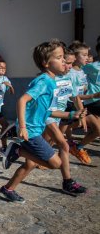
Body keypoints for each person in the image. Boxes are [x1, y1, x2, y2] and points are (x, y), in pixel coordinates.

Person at [0, 39, 85, 203]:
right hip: (30, 131)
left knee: (30, 164)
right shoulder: (44, 81)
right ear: (46, 63)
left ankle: (8, 189)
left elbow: (48, 111)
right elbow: (22, 100)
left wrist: (71, 115)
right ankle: (16, 151)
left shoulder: (51, 82)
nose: (64, 61)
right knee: (55, 163)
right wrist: (22, 126)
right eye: (59, 58)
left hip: (36, 128)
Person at [41, 48, 87, 195]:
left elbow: (76, 97)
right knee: (63, 145)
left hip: (59, 116)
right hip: (48, 117)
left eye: (71, 63)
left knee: (37, 155)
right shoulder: (48, 79)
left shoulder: (68, 78)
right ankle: (67, 182)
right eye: (66, 63)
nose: (69, 67)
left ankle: (19, 151)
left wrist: (81, 115)